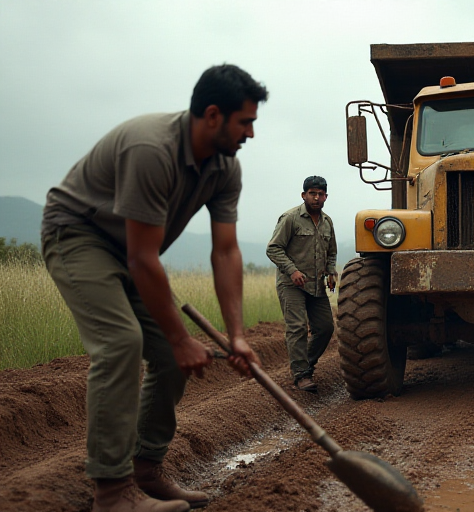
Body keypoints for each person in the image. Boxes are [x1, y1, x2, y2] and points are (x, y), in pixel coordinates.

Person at [41, 64, 268, 512]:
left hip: (130, 250)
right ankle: (111, 493)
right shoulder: (152, 148)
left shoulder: (226, 168)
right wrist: (182, 337)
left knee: (167, 357)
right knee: (121, 343)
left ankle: (145, 471)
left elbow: (225, 252)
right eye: (246, 122)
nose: (251, 134)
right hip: (79, 235)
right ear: (212, 115)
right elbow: (142, 258)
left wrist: (237, 334)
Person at [266, 176, 338, 393]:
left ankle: (306, 364)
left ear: (326, 196)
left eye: (320, 194)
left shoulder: (327, 222)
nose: (316, 198)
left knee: (325, 328)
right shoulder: (290, 218)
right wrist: (292, 270)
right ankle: (301, 375)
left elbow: (331, 252)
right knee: (296, 328)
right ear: (304, 195)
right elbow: (273, 249)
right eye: (312, 193)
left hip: (316, 286)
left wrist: (331, 271)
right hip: (291, 285)